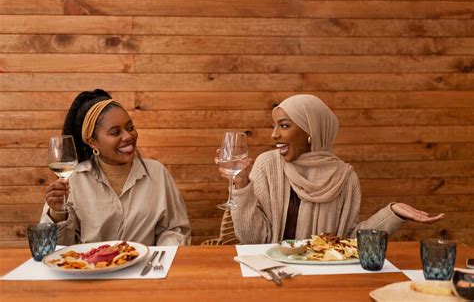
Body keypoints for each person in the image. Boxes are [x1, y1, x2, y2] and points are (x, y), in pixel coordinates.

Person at [217, 94, 443, 244]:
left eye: (284, 125)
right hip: (272, 271)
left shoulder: (345, 177)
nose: (274, 134)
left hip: (322, 274)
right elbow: (253, 240)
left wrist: (393, 213)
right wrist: (242, 185)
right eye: (274, 126)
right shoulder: (268, 165)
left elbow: (348, 241)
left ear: (310, 131)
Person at [41, 89, 191, 246]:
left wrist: (159, 258)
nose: (127, 136)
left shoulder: (157, 173)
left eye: (130, 127)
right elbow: (54, 247)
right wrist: (57, 213)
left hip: (146, 268)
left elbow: (175, 229)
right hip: (91, 269)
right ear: (92, 141)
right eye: (115, 132)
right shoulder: (74, 179)